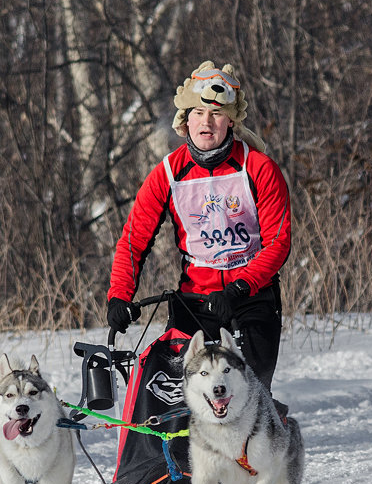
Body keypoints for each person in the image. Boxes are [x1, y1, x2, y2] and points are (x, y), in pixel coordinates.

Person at [106, 60, 291, 396]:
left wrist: (238, 289)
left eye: (217, 114)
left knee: (249, 393)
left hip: (251, 296)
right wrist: (119, 297)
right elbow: (133, 242)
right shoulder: (167, 174)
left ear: (231, 121)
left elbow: (278, 242)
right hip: (195, 300)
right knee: (176, 395)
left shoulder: (259, 168)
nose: (207, 122)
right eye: (198, 113)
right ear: (185, 120)